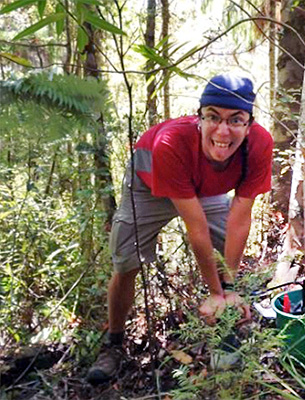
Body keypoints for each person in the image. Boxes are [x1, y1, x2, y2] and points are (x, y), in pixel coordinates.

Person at [87, 74, 274, 384]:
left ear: (249, 124)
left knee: (229, 249)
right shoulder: (171, 143)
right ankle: (113, 343)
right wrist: (214, 292)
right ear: (199, 117)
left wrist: (227, 289)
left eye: (235, 120)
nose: (223, 130)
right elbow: (195, 228)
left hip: (203, 187)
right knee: (126, 263)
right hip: (148, 185)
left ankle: (227, 328)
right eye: (213, 117)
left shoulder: (259, 144)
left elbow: (241, 217)